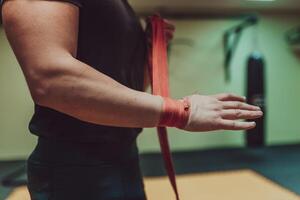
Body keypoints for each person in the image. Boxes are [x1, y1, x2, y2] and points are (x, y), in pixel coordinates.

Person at [1, 0, 263, 199]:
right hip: (76, 166)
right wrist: (179, 111)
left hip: (124, 156)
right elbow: (51, 79)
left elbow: (126, 87)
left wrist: (148, 53)